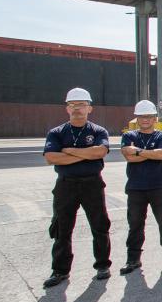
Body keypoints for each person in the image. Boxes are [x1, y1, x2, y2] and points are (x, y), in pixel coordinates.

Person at [41, 88, 112, 287]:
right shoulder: (56, 133)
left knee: (99, 226)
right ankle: (60, 271)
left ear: (90, 108)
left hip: (92, 184)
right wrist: (84, 154)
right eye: (73, 105)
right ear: (67, 109)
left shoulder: (98, 131)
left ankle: (102, 265)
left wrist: (70, 151)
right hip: (66, 186)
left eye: (81, 105)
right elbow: (51, 158)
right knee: (62, 228)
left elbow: (99, 152)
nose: (77, 109)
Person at [119, 100, 162, 274]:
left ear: (155, 118)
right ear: (136, 118)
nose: (145, 119)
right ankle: (133, 259)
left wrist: (137, 151)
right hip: (136, 188)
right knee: (135, 224)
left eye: (149, 116)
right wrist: (150, 154)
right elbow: (129, 157)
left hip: (159, 187)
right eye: (141, 116)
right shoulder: (129, 136)